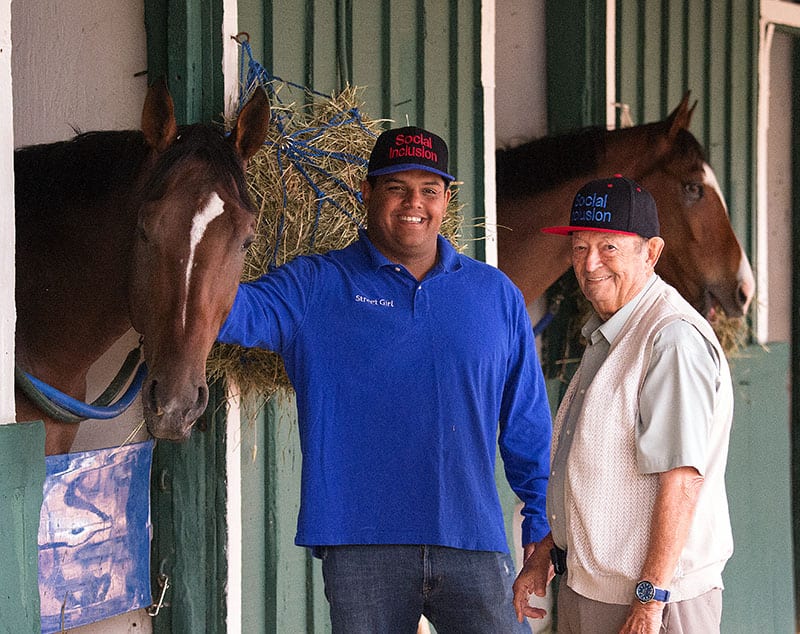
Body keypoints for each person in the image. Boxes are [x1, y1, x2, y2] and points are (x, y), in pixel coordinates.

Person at [218, 126, 553, 633]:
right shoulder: (316, 285)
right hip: (361, 546)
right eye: (397, 188)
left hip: (472, 539)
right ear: (367, 192)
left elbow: (526, 424)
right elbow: (225, 312)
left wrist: (540, 521)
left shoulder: (495, 296)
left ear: (446, 201)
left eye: (429, 191)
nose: (413, 203)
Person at [513, 175, 734, 633]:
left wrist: (651, 601)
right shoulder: (612, 333)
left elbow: (681, 480)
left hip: (651, 601)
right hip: (594, 590)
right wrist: (547, 554)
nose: (590, 264)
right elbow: (604, 479)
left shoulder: (670, 339)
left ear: (651, 252)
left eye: (609, 247)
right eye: (579, 247)